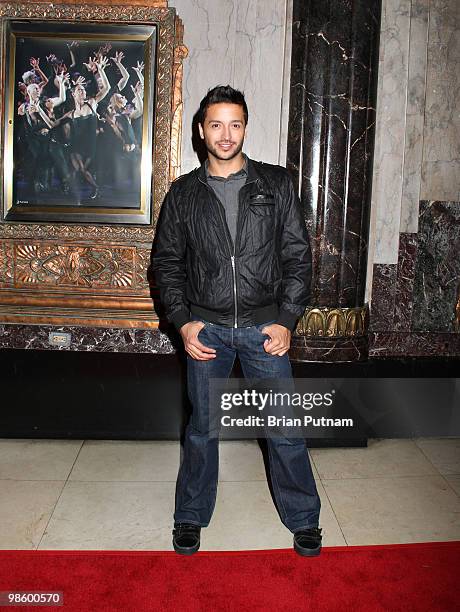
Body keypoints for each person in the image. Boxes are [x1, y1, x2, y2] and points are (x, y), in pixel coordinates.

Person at [152, 85, 322, 557]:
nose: (226, 134)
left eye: (235, 124)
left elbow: (297, 257)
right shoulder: (183, 194)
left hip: (264, 329)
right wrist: (183, 323)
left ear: (245, 126)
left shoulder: (276, 184)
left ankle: (304, 519)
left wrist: (287, 318)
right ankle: (190, 514)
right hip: (206, 332)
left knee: (285, 428)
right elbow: (166, 265)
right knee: (203, 429)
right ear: (201, 130)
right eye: (216, 124)